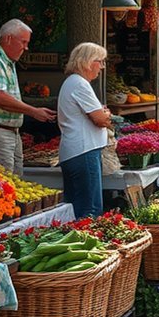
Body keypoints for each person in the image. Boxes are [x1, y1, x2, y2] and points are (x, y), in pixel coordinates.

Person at [0, 19, 57, 175]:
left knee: (14, 185)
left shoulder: (7, 62)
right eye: (23, 42)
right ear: (8, 38)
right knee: (2, 186)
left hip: (8, 132)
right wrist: (33, 111)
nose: (26, 47)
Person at [57, 42, 112, 219]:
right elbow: (100, 119)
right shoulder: (80, 84)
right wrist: (106, 114)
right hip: (84, 151)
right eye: (100, 61)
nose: (101, 67)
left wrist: (101, 113)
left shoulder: (72, 82)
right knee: (90, 210)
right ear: (88, 62)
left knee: (76, 208)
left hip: (76, 151)